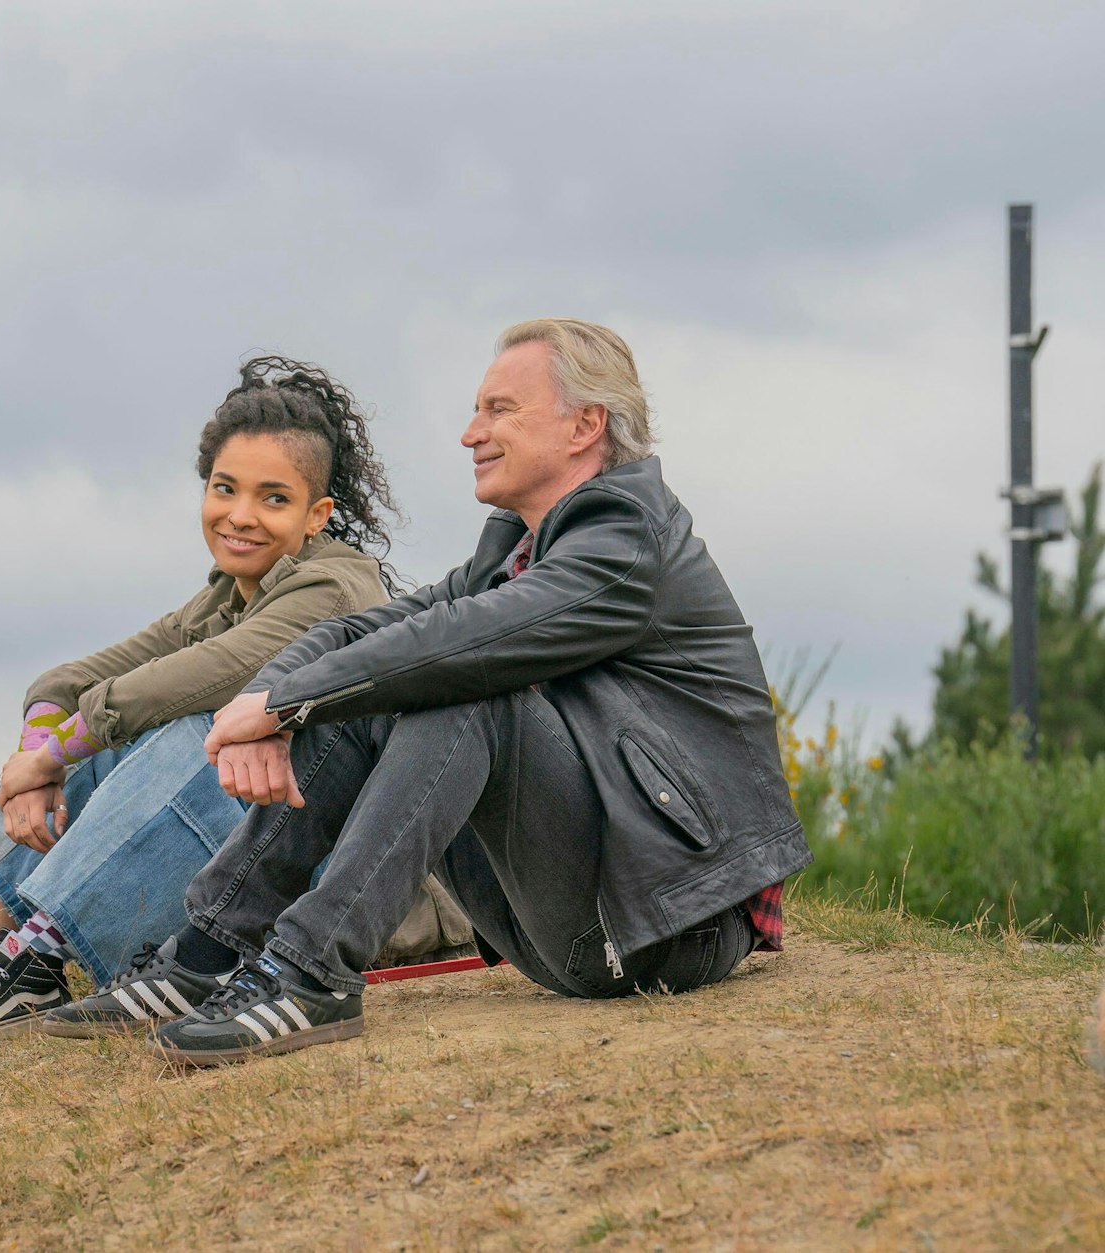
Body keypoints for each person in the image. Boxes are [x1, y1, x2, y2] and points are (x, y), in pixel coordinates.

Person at [64, 318, 812, 1065]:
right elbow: (359, 632)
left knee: (464, 685)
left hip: (675, 922)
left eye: (499, 410)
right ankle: (206, 952)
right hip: (570, 917)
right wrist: (267, 701)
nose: (469, 433)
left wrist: (285, 705)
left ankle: (310, 971)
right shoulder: (516, 547)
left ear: (585, 425)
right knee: (377, 689)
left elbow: (465, 644)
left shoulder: (628, 539)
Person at [0, 356, 405, 1057]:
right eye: (225, 489)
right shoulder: (228, 593)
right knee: (115, 728)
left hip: (346, 884)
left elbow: (198, 677)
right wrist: (41, 755)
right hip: (260, 858)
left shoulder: (332, 589)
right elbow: (71, 679)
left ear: (316, 515)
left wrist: (57, 752)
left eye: (273, 498)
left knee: (194, 727)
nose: (240, 515)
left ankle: (37, 953)